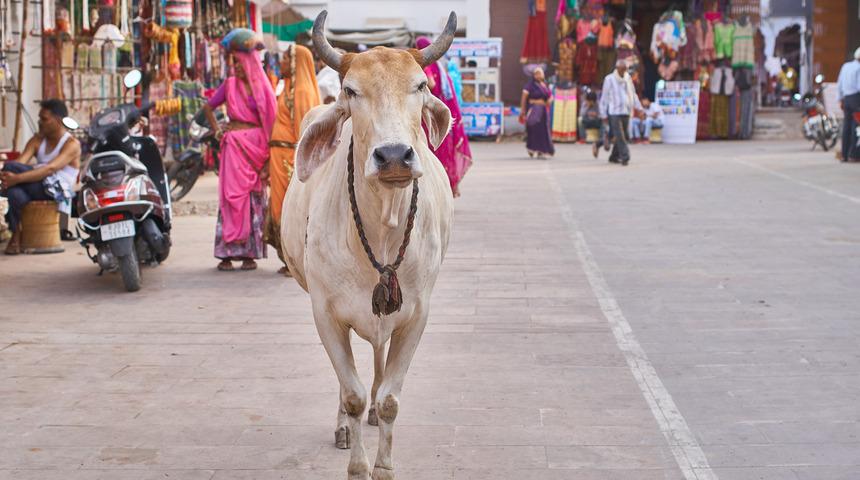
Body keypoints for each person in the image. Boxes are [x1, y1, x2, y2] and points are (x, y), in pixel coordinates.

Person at [203, 46, 277, 272]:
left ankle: (249, 254)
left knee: (253, 197)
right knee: (231, 197)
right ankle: (226, 254)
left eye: (239, 62)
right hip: (234, 148)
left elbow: (271, 119)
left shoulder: (262, 87)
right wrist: (217, 131)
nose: (235, 67)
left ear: (250, 63)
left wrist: (268, 159)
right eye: (234, 63)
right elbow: (208, 107)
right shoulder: (229, 85)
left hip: (256, 147)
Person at [1, 99, 81, 255]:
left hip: (55, 191)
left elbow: (50, 169)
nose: (40, 122)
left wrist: (15, 179)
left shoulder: (72, 144)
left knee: (11, 172)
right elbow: (20, 162)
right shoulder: (37, 140)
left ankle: (16, 236)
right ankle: (17, 234)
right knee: (14, 192)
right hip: (36, 185)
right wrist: (8, 176)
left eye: (44, 119)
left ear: (58, 121)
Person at [266, 44, 320, 274]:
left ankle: (296, 259)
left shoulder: (302, 93)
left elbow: (304, 133)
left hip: (290, 157)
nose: (282, 63)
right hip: (279, 156)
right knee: (278, 206)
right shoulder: (287, 88)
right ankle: (288, 257)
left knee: (293, 208)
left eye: (287, 59)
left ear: (297, 63)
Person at [417, 36, 472, 196]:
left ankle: (438, 188)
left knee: (433, 152)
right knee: (444, 152)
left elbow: (432, 84)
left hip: (431, 117)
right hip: (441, 116)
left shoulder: (426, 66)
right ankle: (449, 187)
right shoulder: (440, 67)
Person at [599, 59, 641, 165]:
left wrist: (639, 108)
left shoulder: (628, 78)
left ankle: (614, 156)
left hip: (626, 110)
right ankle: (625, 156)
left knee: (625, 135)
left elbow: (633, 94)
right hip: (614, 111)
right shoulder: (609, 79)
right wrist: (603, 113)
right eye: (622, 69)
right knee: (619, 134)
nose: (623, 71)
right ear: (617, 68)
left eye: (625, 69)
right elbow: (604, 98)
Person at [519, 66, 555, 159]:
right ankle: (532, 148)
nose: (539, 75)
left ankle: (542, 150)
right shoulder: (530, 85)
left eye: (540, 73)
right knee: (534, 129)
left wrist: (549, 100)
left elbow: (550, 95)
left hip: (543, 111)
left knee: (543, 131)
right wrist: (523, 111)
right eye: (537, 74)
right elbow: (524, 97)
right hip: (534, 110)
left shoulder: (545, 85)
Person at [837, 47, 860, 163]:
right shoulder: (859, 68)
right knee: (856, 127)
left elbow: (839, 84)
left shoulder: (845, 66)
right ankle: (854, 154)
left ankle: (844, 154)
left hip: (846, 99)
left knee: (846, 127)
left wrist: (840, 99)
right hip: (856, 98)